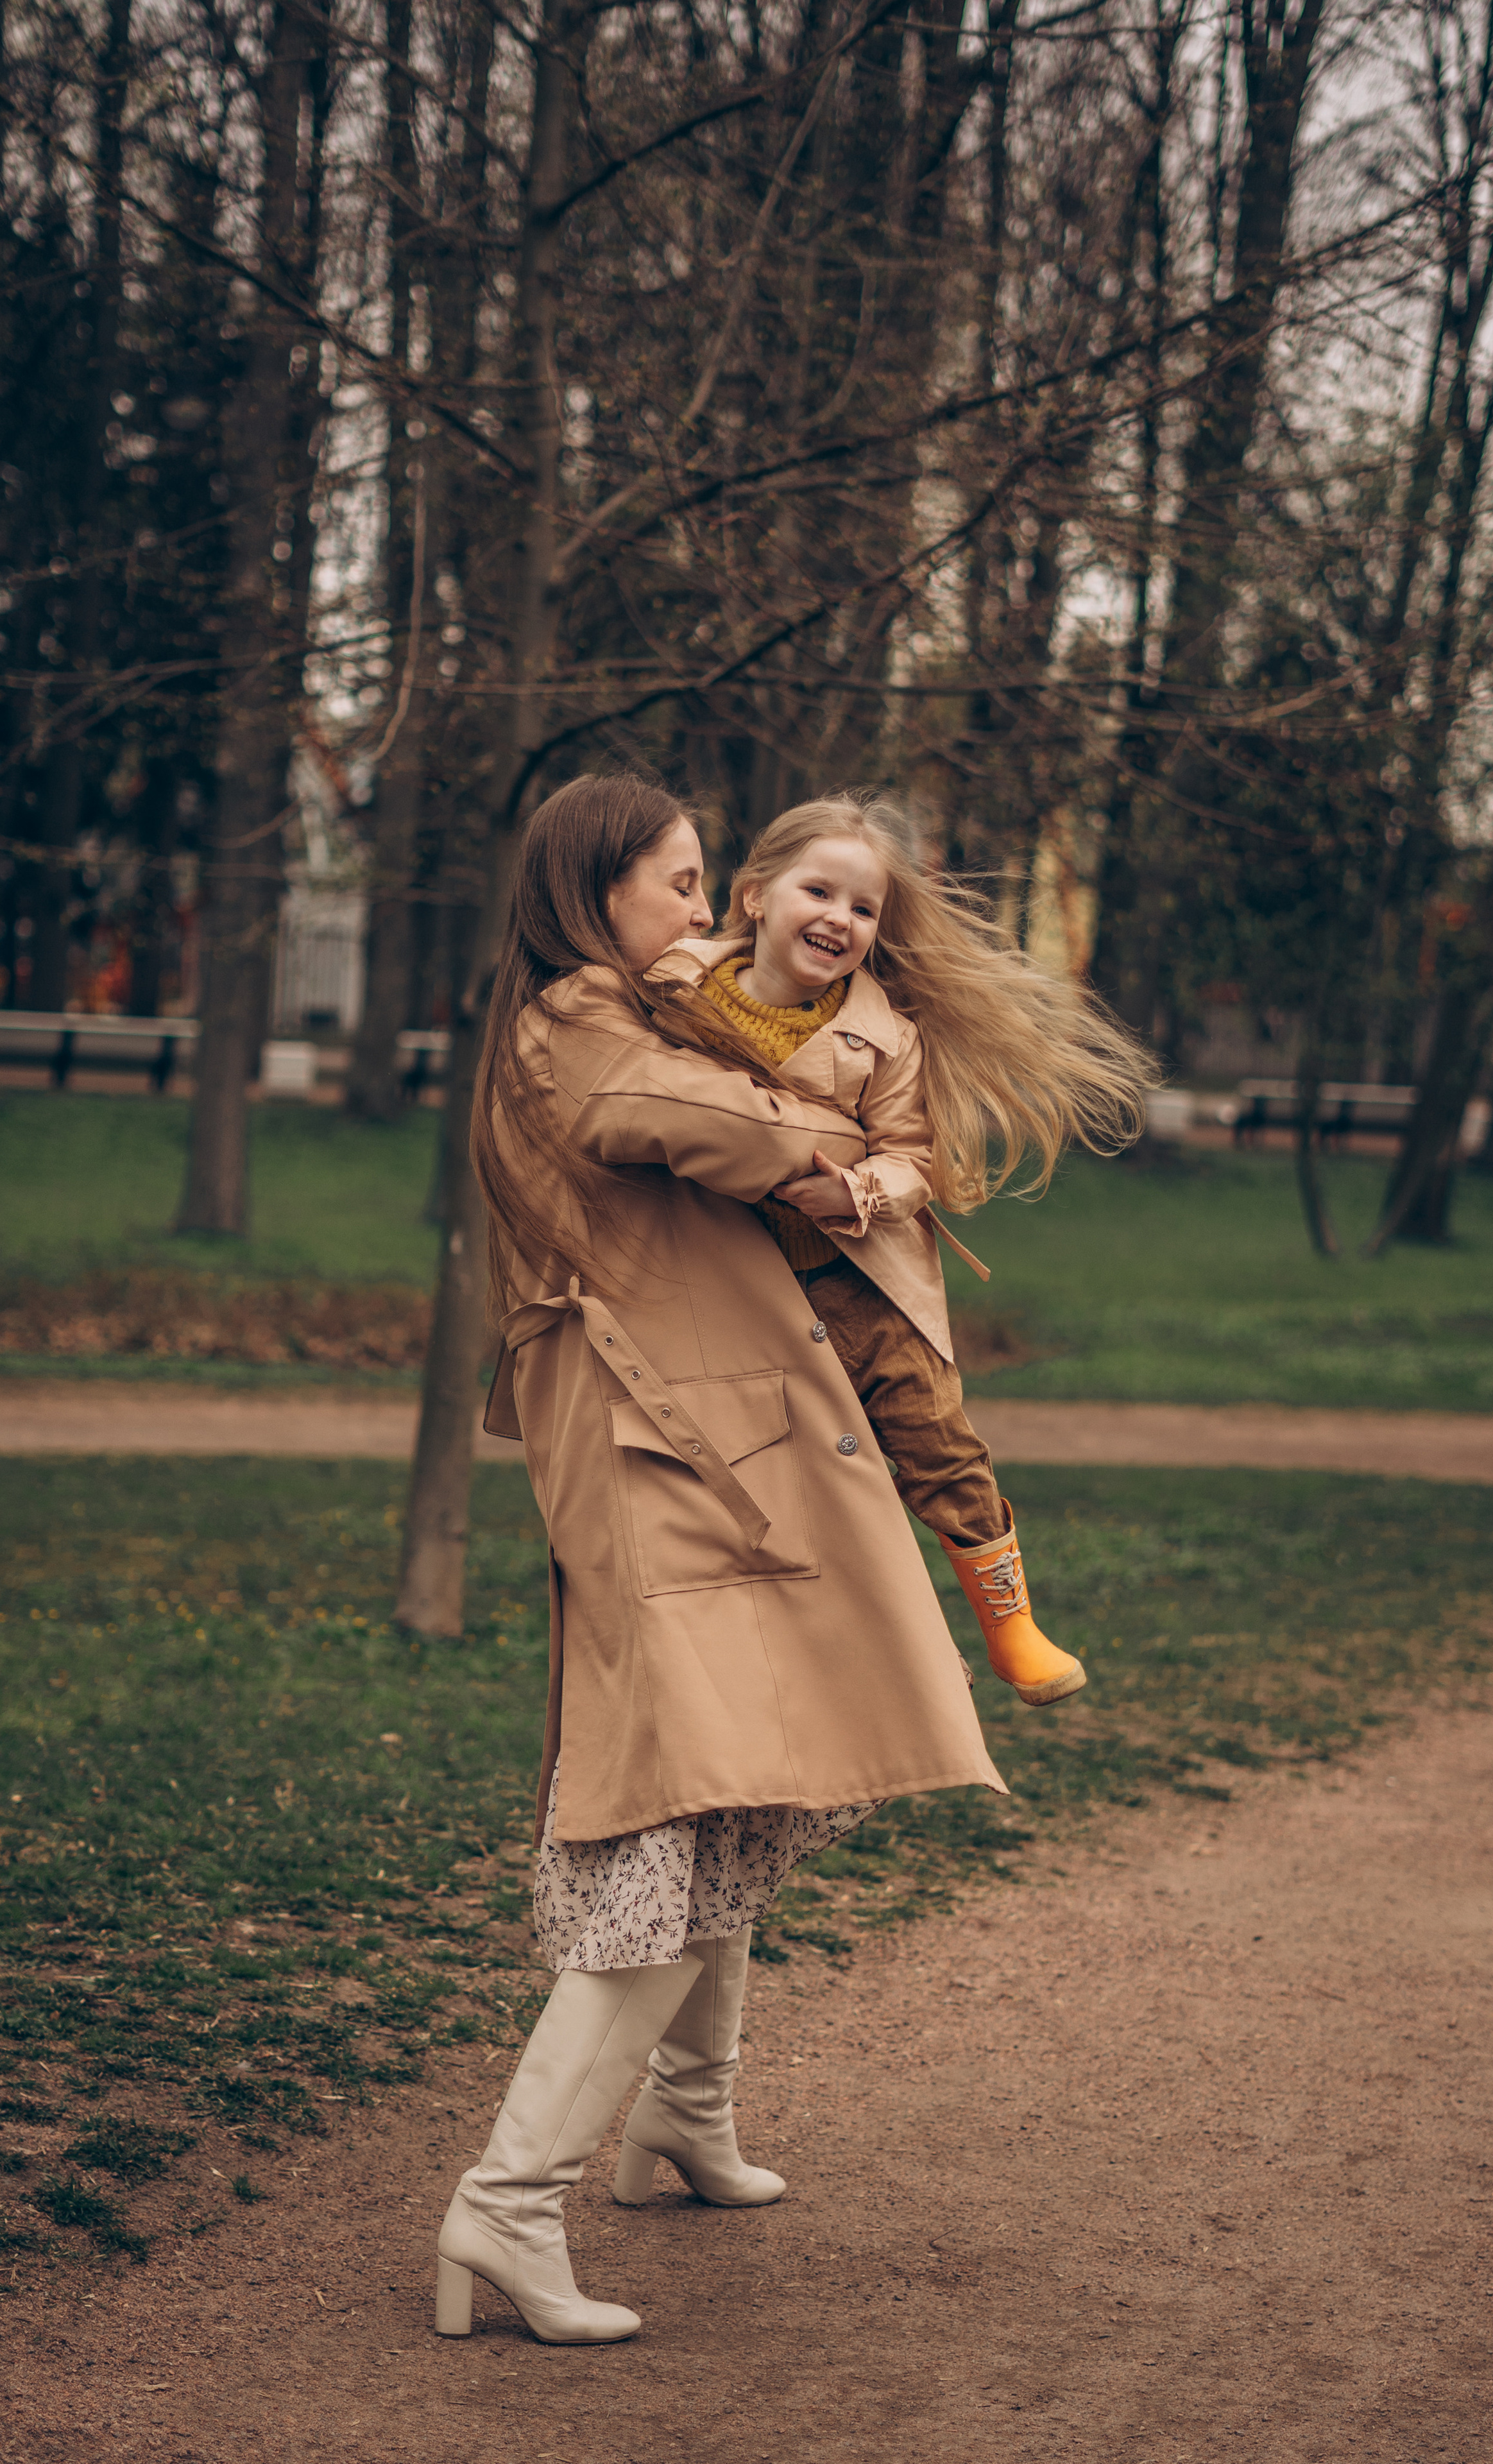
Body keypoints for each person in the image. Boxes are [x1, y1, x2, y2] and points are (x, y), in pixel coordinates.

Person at [436, 774, 1004, 2350]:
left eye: (705, 885)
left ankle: (681, 2117)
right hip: (651, 1462)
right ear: (597, 888)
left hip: (706, 1445)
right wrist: (867, 1139)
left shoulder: (633, 1009)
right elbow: (718, 1128)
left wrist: (869, 1139)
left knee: (748, 1780)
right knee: (667, 1823)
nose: (698, 916)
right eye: (679, 886)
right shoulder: (577, 1021)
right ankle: (507, 2204)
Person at [681, 791, 1151, 1706]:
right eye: (820, 892)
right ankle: (791, 1643)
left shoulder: (884, 1036)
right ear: (754, 897)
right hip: (736, 1288)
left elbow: (915, 1160)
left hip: (859, 1284)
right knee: (766, 1469)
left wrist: (853, 1190)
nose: (840, 920)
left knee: (940, 1445)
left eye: (865, 910)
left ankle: (1012, 1628)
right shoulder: (677, 989)